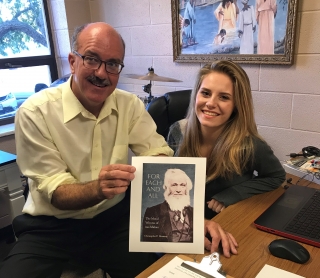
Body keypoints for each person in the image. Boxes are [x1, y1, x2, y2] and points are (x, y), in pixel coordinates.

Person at [0, 23, 238, 277]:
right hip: (50, 228)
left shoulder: (129, 105)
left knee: (172, 270)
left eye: (113, 64)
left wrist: (189, 220)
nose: (102, 73)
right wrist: (97, 188)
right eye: (92, 59)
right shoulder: (35, 112)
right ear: (72, 61)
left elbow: (158, 156)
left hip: (114, 222)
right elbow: (56, 192)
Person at [167, 61, 286, 248]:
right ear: (196, 95)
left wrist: (233, 193)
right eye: (205, 93)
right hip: (181, 225)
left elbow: (277, 176)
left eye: (224, 97)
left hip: (227, 228)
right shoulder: (177, 131)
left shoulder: (249, 144)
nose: (211, 103)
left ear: (236, 105)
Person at [142, 168, 193, 242]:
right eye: (174, 185)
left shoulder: (193, 212)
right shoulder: (153, 212)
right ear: (166, 188)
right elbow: (149, 243)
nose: (178, 190)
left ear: (186, 188)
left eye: (182, 185)